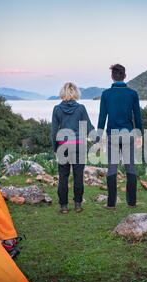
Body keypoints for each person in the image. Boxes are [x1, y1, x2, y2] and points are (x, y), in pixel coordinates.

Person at [98, 64, 143, 210]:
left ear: (112, 77)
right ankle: (132, 202)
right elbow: (137, 116)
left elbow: (102, 117)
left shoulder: (106, 94)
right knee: (130, 167)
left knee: (112, 168)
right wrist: (139, 135)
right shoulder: (133, 94)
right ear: (125, 76)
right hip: (128, 134)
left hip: (112, 135)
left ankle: (111, 204)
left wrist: (99, 137)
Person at [51, 82, 95, 214]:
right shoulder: (81, 108)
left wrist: (55, 147)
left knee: (63, 176)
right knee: (78, 176)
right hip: (78, 146)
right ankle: (78, 204)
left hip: (62, 146)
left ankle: (63, 206)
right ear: (76, 92)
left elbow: (54, 131)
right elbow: (89, 127)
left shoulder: (57, 109)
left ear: (62, 93)